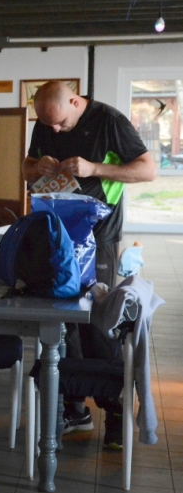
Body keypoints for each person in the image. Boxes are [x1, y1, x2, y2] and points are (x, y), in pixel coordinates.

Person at [23, 80, 155, 435]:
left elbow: (147, 169)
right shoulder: (46, 122)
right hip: (58, 237)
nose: (53, 129)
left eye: (59, 123)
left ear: (75, 102)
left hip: (99, 238)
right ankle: (75, 408)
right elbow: (26, 168)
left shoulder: (109, 121)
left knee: (99, 324)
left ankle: (115, 414)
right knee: (65, 323)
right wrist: (37, 167)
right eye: (46, 123)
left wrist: (95, 168)